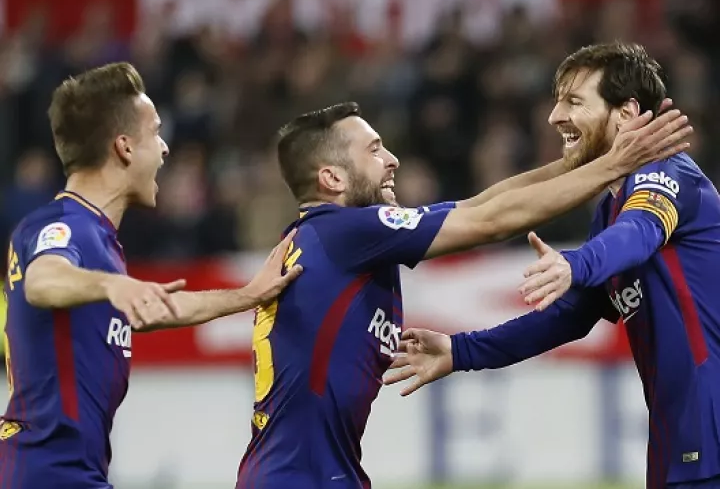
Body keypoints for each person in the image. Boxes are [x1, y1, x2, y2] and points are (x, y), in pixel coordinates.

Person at [235, 88, 691, 488]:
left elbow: (481, 203)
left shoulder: (326, 238)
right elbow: (491, 221)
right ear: (331, 178)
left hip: (309, 472)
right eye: (374, 150)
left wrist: (577, 162)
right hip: (302, 478)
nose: (392, 159)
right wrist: (615, 163)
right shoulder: (345, 232)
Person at [385, 42, 720, 489]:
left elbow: (640, 232)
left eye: (574, 101)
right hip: (679, 431)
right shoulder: (608, 209)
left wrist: (576, 263)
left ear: (626, 113)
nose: (554, 116)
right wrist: (460, 351)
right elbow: (567, 318)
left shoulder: (668, 173)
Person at [0, 62, 302, 489]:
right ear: (124, 147)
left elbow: (162, 306)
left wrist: (249, 295)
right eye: (155, 132)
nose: (163, 148)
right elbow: (44, 280)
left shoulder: (96, 239)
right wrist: (113, 284)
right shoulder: (66, 226)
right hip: (47, 472)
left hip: (57, 470)